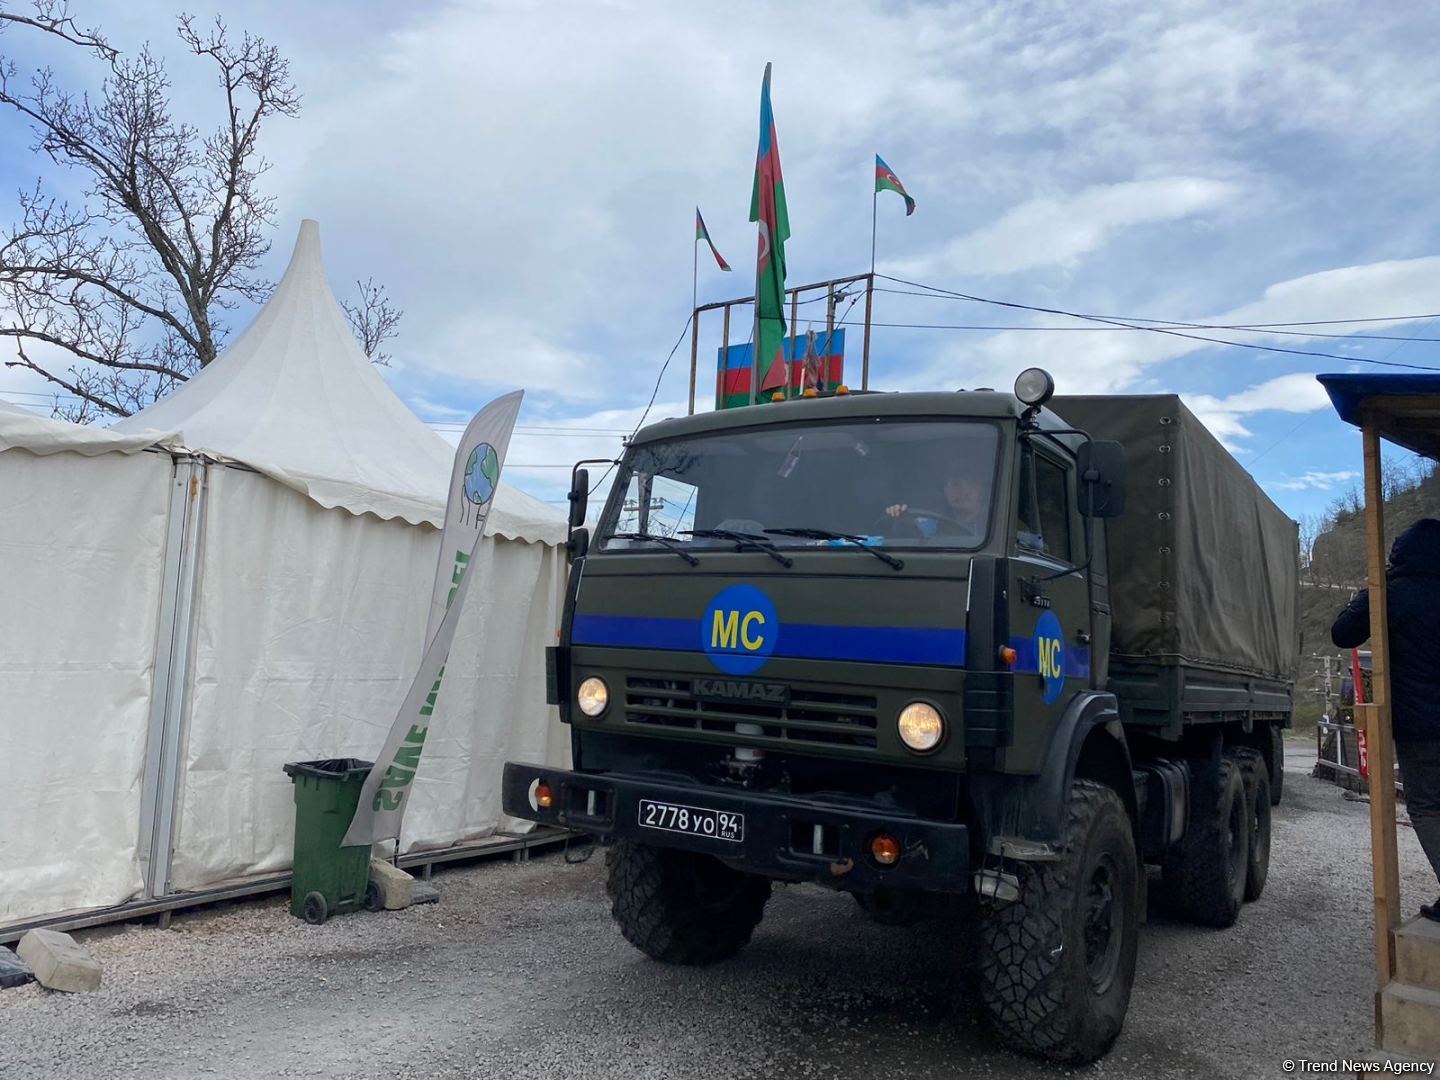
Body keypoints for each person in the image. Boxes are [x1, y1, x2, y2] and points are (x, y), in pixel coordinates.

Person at [1331, 517, 1440, 922]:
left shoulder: (1390, 593)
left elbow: (1343, 633)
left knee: (1428, 806)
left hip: (1421, 725)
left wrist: (1368, 592)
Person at [885, 470, 987, 539]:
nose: (964, 491)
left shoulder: (997, 522)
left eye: (971, 483)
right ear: (945, 490)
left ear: (982, 490)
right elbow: (913, 536)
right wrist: (903, 519)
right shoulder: (934, 521)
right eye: (956, 484)